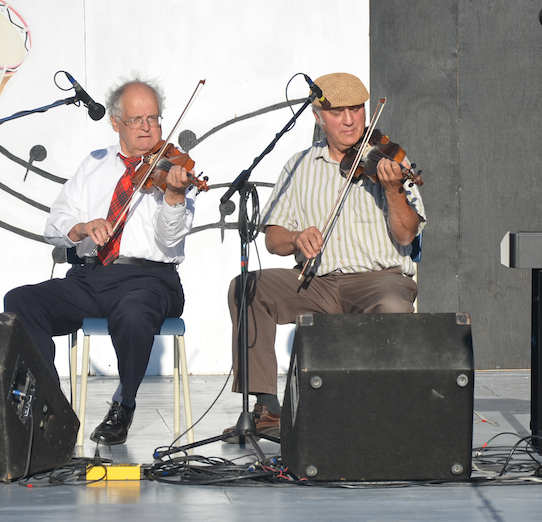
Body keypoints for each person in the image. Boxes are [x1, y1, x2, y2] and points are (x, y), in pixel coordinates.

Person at [225, 72, 425, 441]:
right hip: (315, 283)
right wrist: (297, 238)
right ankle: (268, 407)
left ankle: (385, 412)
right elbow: (273, 238)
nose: (349, 120)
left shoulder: (388, 162)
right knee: (247, 287)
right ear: (318, 117)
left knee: (394, 305)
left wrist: (394, 189)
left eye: (356, 110)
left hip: (378, 280)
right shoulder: (298, 166)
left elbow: (406, 233)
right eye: (337, 112)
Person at [4, 77, 196, 445]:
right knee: (20, 301)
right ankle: (49, 403)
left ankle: (124, 404)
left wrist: (173, 196)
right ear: (116, 123)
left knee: (134, 313)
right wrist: (79, 228)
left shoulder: (175, 169)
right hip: (90, 278)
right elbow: (55, 223)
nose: (146, 127)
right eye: (137, 119)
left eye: (153, 119)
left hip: (150, 279)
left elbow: (170, 240)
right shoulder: (93, 165)